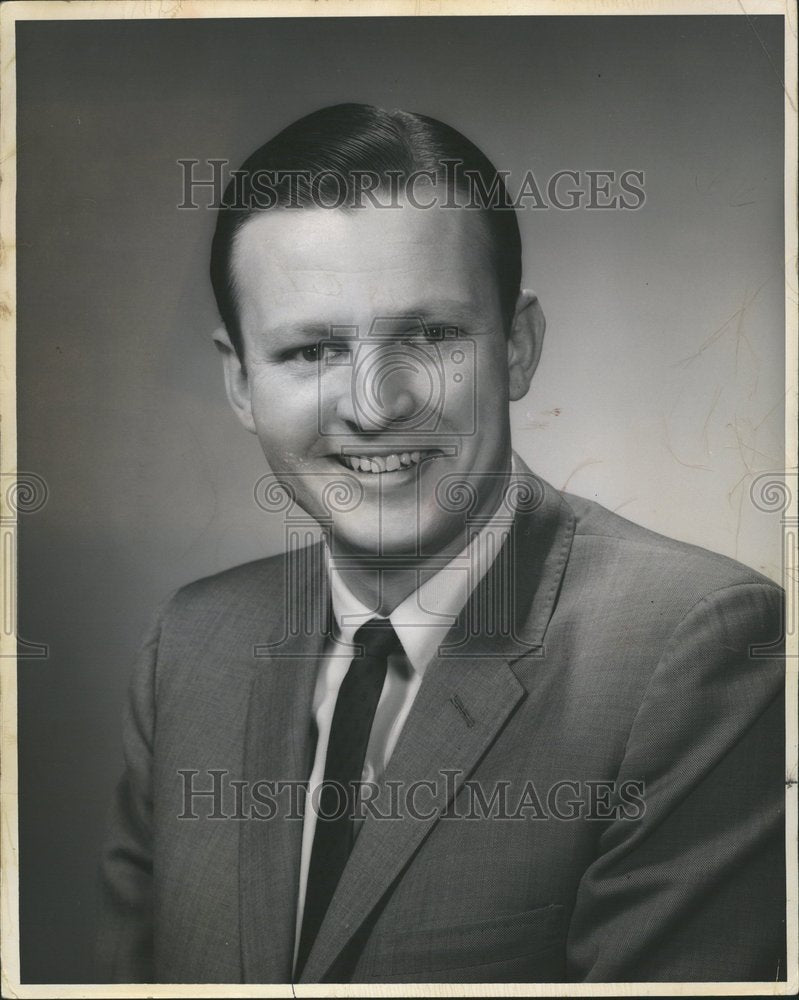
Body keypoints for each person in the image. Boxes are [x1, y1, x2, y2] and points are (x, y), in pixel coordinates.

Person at [96, 103, 786, 985]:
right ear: (240, 382)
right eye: (311, 352)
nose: (375, 406)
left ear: (518, 347)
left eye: (428, 336)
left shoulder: (695, 651)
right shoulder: (189, 646)